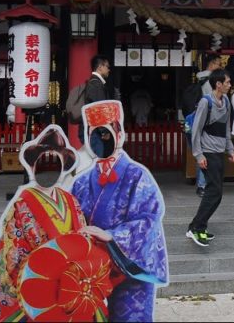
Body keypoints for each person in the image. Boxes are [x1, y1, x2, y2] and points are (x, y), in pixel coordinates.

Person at [0, 124, 123, 322]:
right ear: (33, 167)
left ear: (62, 168)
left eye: (55, 164)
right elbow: (11, 256)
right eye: (45, 163)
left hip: (72, 288)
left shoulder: (70, 201)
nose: (50, 170)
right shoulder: (21, 205)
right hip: (39, 289)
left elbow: (82, 242)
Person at [71, 100, 169, 322]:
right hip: (90, 274)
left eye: (104, 134)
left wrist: (112, 237)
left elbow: (149, 219)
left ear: (120, 134)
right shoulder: (81, 182)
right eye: (93, 135)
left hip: (128, 271)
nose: (98, 140)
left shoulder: (137, 175)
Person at [187, 68, 234, 247]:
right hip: (207, 153)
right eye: (227, 82)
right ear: (218, 84)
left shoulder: (226, 102)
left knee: (214, 192)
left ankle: (195, 225)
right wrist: (198, 155)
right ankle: (197, 228)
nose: (230, 85)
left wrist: (230, 149)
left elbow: (226, 129)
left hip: (218, 152)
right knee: (214, 192)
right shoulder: (205, 102)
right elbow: (196, 130)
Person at [185, 55, 223, 197]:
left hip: (196, 119)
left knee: (200, 151)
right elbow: (212, 103)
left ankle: (202, 184)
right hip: (206, 121)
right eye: (219, 64)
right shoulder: (210, 83)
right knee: (205, 153)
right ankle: (202, 184)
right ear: (211, 65)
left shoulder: (200, 80)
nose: (220, 68)